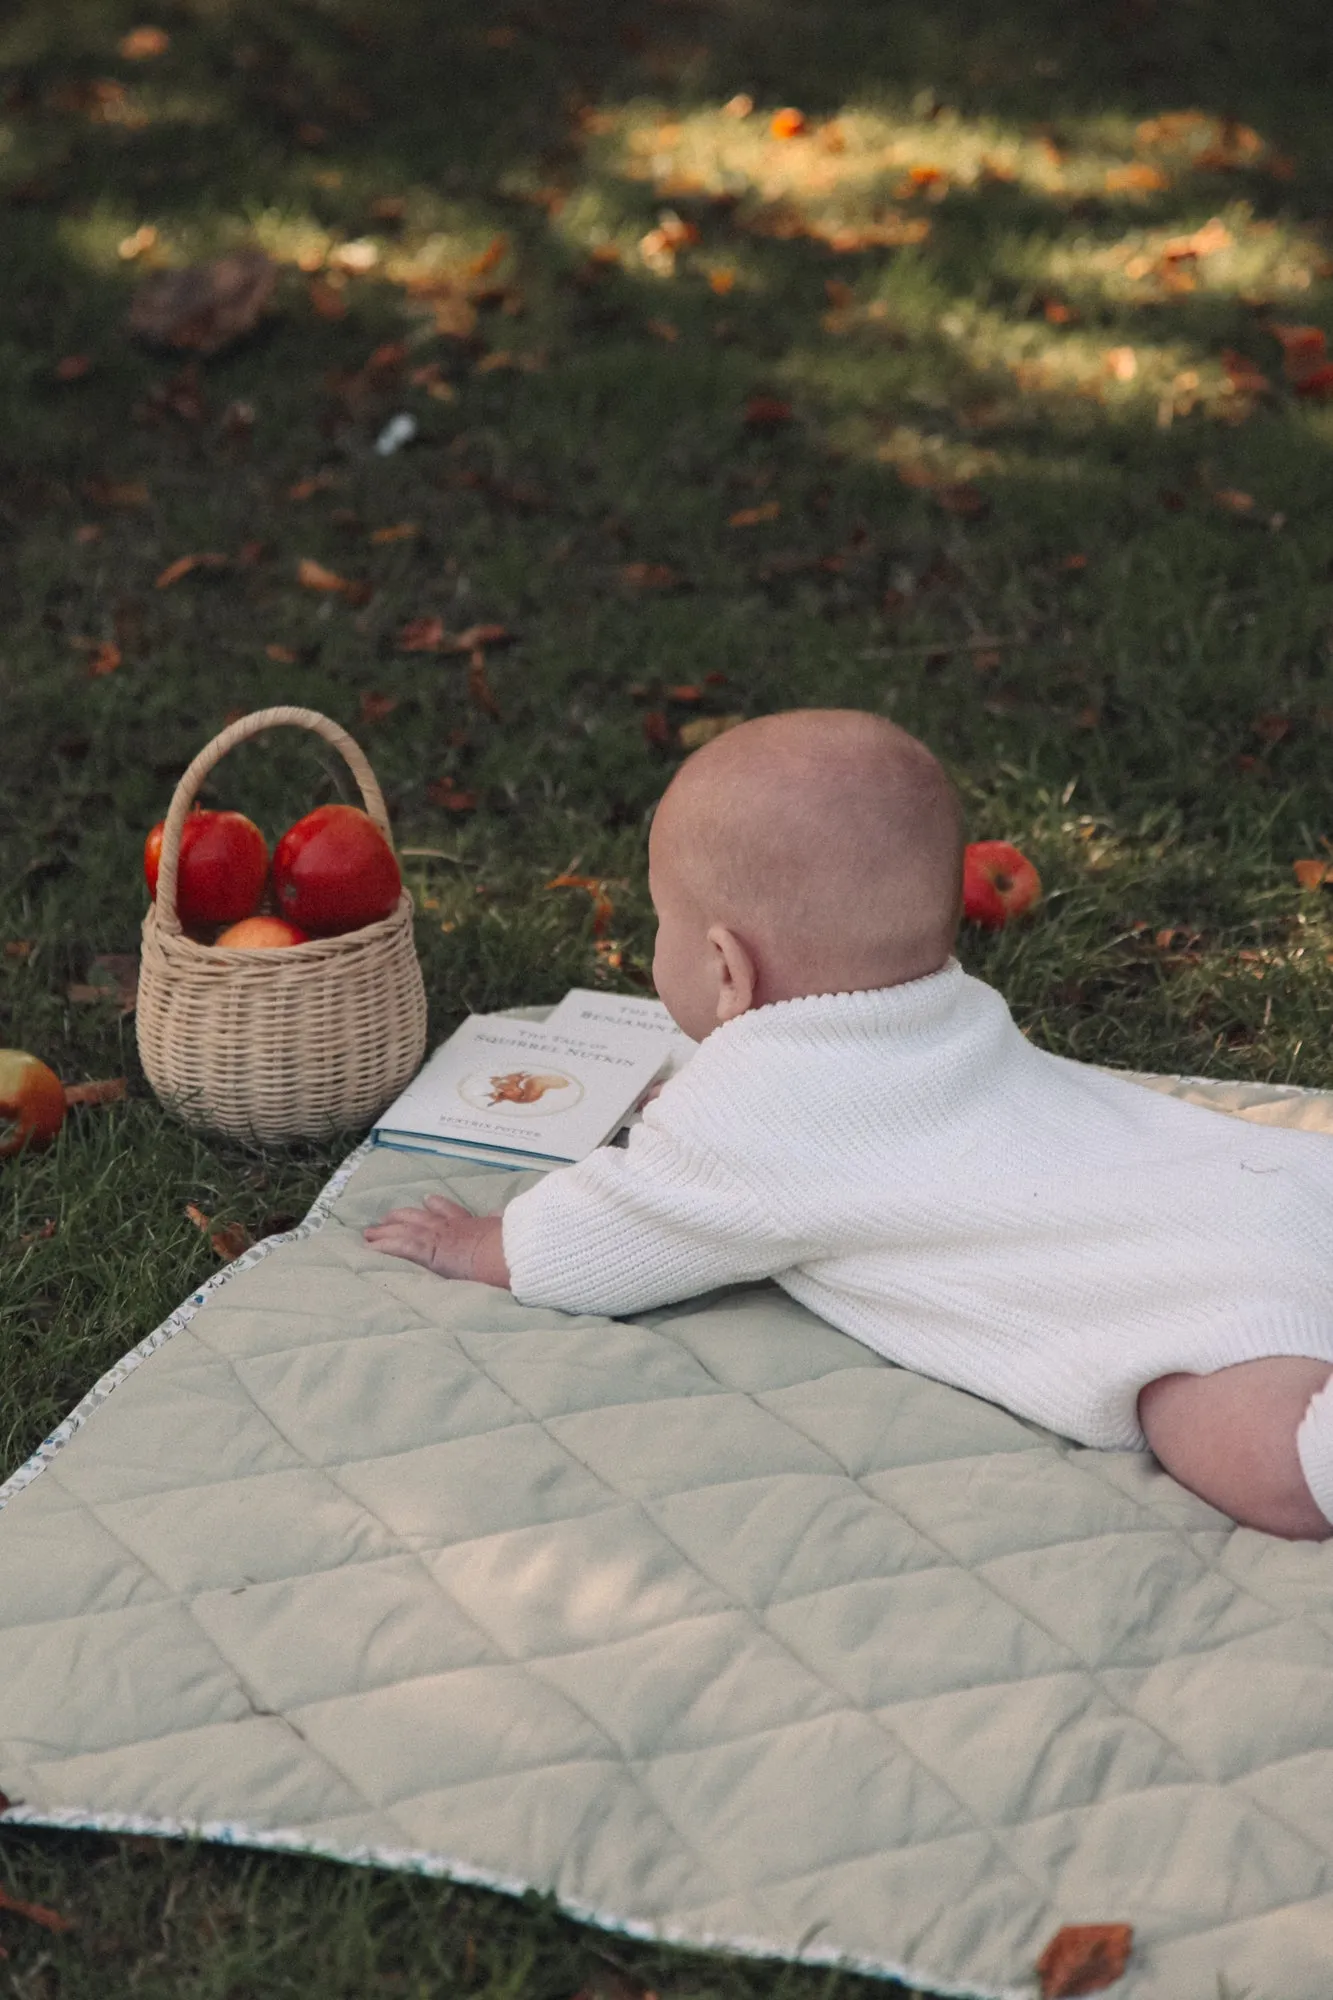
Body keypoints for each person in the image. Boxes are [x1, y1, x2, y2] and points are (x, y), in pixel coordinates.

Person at [365, 708, 1333, 1540]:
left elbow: (606, 1234)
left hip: (1207, 1315)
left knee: (1251, 1448)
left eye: (659, 921)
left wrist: (483, 1241)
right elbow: (814, 1119)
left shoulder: (741, 1125)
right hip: (1275, 1187)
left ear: (727, 969)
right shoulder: (944, 1009)